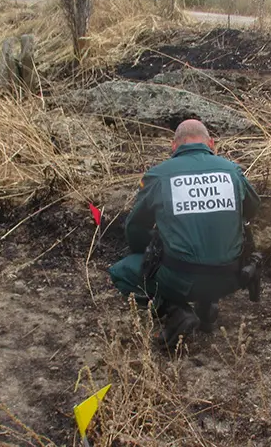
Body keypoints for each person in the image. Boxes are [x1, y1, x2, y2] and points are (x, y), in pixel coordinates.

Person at [108, 119, 261, 347]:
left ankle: (176, 311)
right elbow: (252, 209)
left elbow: (135, 227)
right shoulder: (232, 171)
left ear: (174, 146)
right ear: (211, 144)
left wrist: (149, 257)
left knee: (121, 271)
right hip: (233, 278)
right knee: (208, 245)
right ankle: (207, 306)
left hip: (181, 280)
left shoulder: (159, 175)